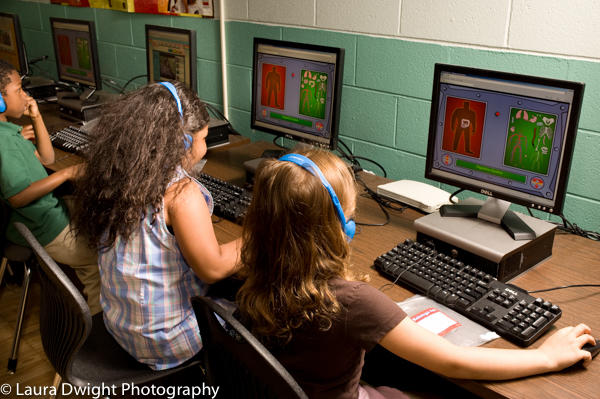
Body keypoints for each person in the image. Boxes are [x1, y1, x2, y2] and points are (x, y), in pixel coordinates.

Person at [236, 148, 596, 399]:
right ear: (339, 228)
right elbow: (454, 361)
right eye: (350, 213)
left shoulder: (259, 266)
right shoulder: (352, 303)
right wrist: (547, 357)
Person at [70, 81, 241, 371]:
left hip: (122, 326)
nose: (205, 148)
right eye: (203, 139)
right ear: (182, 143)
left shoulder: (118, 173)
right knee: (255, 308)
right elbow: (213, 268)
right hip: (166, 341)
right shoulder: (181, 194)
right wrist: (260, 233)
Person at [0, 60, 100, 315]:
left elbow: (47, 159)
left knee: (100, 213)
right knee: (103, 260)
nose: (26, 95)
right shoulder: (5, 143)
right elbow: (18, 198)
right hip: (43, 225)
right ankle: (96, 328)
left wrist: (36, 116)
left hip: (38, 218)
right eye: (19, 89)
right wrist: (67, 174)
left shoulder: (9, 132)